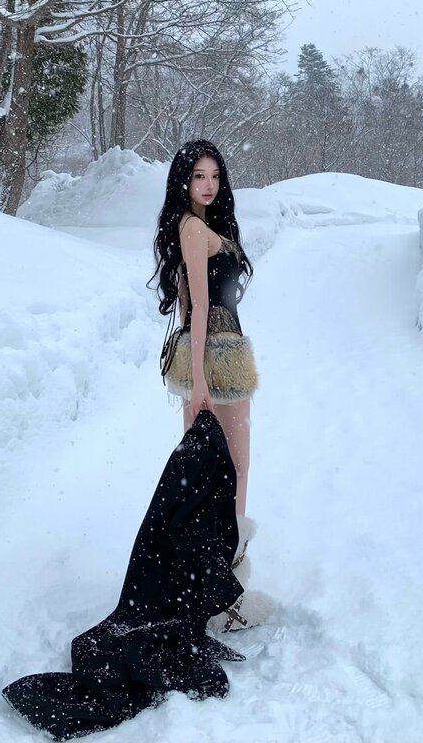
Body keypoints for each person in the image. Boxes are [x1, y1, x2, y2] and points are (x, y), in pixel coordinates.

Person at [149, 139, 275, 631]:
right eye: (198, 176)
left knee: (209, 476)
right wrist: (200, 380)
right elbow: (199, 306)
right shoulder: (193, 227)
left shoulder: (198, 225)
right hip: (218, 360)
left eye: (215, 176)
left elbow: (185, 301)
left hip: (211, 356)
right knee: (232, 471)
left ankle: (209, 591)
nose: (208, 185)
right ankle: (224, 598)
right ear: (183, 180)